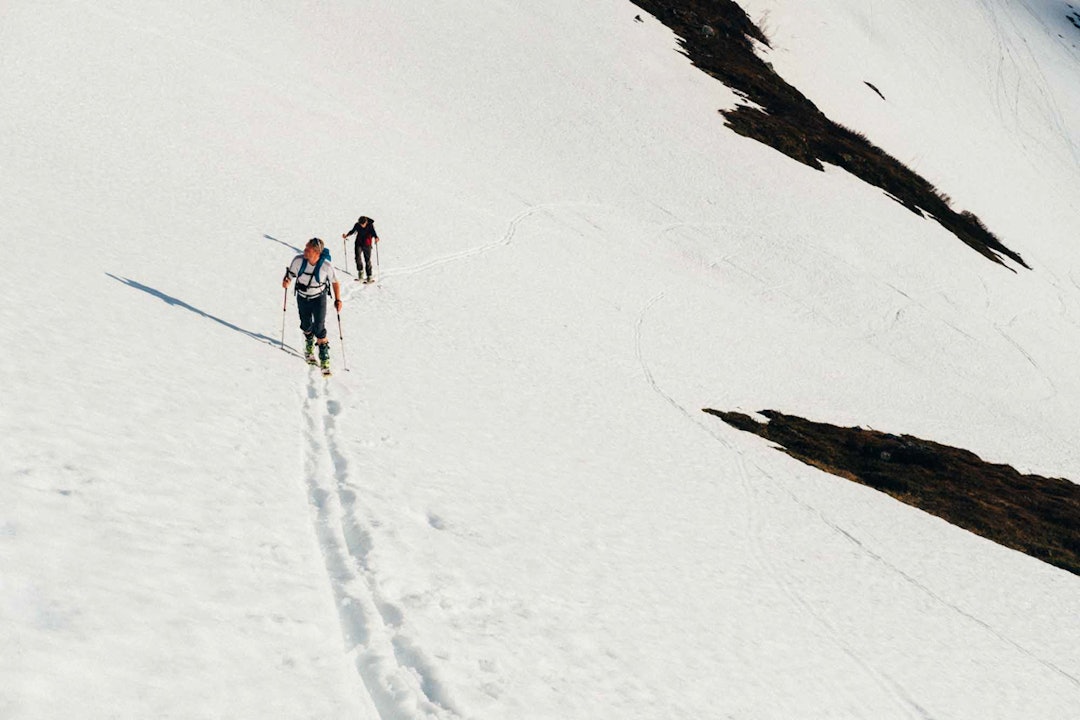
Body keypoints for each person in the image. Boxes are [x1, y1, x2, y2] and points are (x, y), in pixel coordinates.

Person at [282, 238, 342, 371]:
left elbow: (335, 282)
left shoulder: (326, 266)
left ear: (316, 252)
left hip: (319, 298)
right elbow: (290, 275)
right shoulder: (298, 261)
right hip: (302, 297)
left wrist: (338, 300)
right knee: (305, 324)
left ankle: (324, 356)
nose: (304, 250)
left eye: (307, 249)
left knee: (319, 327)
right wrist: (286, 281)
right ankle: (309, 342)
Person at [343, 216, 379, 283]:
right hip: (358, 243)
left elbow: (373, 233)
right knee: (357, 258)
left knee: (367, 260)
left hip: (367, 244)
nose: (362, 225)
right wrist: (346, 235)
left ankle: (369, 276)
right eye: (361, 224)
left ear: (366, 222)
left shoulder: (370, 225)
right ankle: (360, 274)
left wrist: (376, 238)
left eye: (363, 224)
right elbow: (352, 231)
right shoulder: (357, 225)